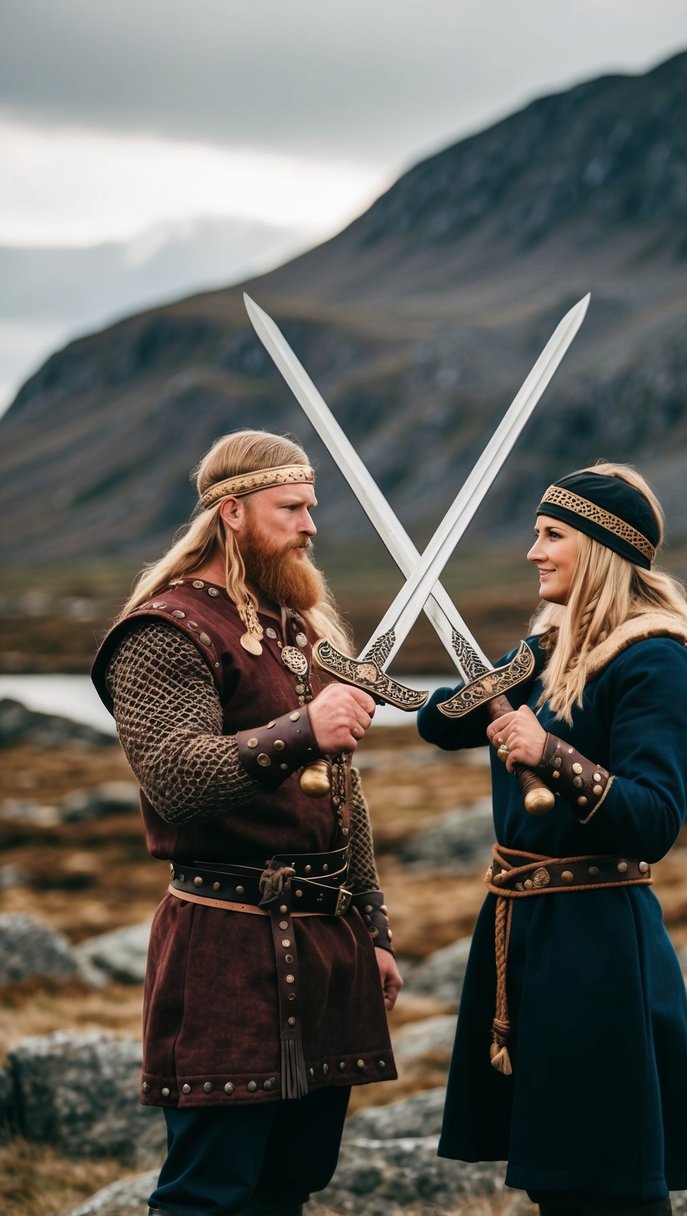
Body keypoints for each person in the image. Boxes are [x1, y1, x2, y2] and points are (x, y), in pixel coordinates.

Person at [91, 429, 403, 1216]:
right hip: (225, 945)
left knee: (290, 1183)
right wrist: (303, 728)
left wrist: (372, 926)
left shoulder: (300, 629)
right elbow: (175, 780)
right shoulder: (163, 632)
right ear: (232, 512)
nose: (310, 526)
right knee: (209, 1193)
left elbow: (343, 798)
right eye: (290, 508)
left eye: (311, 508)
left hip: (325, 942)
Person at [416, 462, 687, 1216]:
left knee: (606, 1184)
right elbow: (438, 723)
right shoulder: (544, 650)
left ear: (599, 547)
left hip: (597, 946)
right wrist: (484, 685)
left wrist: (549, 754)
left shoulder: (659, 659)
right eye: (534, 534)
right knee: (556, 1180)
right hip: (523, 932)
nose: (533, 551)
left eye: (551, 535)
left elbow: (652, 820)